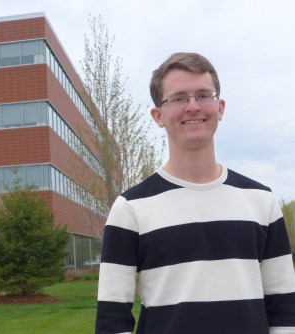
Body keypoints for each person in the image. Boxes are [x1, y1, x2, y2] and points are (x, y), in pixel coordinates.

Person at [95, 52, 295, 334]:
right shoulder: (130, 209)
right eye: (178, 98)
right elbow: (112, 320)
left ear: (220, 107)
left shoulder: (261, 201)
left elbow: (285, 309)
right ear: (158, 115)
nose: (192, 106)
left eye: (203, 95)